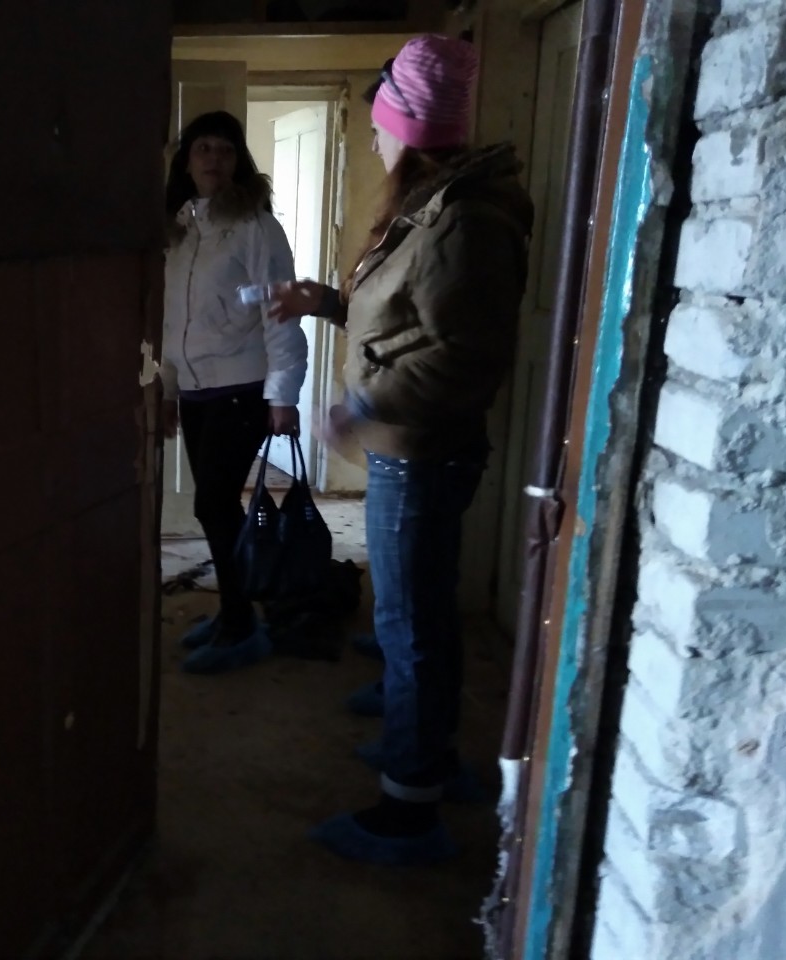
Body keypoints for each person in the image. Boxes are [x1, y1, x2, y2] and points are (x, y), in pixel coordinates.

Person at [269, 35, 534, 864]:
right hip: (415, 446)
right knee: (419, 614)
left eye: (381, 125)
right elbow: (416, 318)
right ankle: (431, 756)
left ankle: (409, 812)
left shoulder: (465, 219)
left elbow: (463, 355)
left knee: (407, 623)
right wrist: (328, 303)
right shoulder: (436, 208)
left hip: (418, 452)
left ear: (409, 131)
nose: (376, 138)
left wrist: (361, 404)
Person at [161, 110, 308, 676]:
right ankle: (234, 612)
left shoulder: (256, 227)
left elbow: (280, 312)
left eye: (225, 150)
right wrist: (167, 389)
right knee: (217, 505)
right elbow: (168, 321)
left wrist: (283, 395)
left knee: (213, 505)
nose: (214, 159)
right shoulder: (178, 229)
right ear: (186, 161)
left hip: (241, 386)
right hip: (195, 390)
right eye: (203, 148)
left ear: (238, 161)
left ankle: (241, 626)